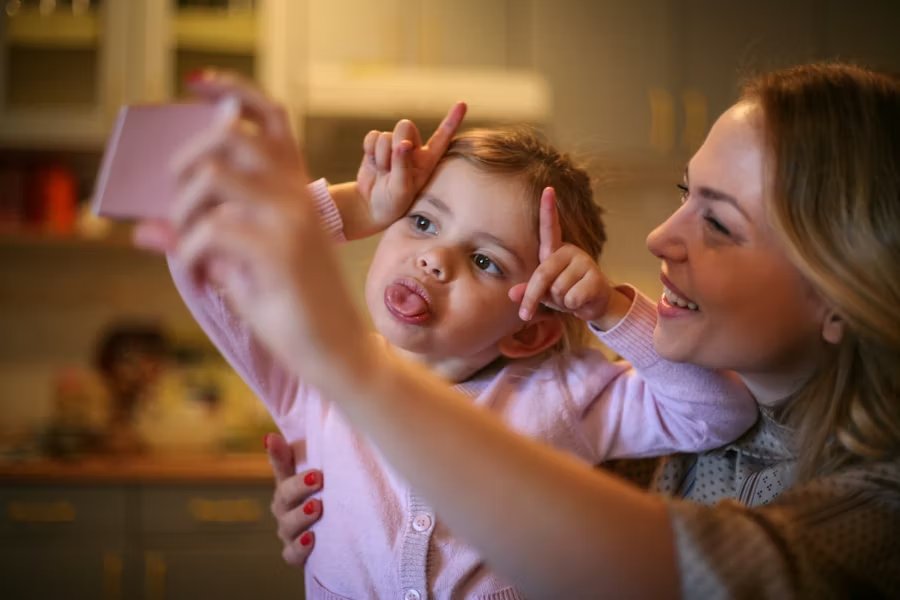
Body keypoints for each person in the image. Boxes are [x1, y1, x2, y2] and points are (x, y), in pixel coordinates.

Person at [141, 62, 899, 597]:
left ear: (840, 291)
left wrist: (353, 373)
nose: (660, 237)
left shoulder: (871, 509)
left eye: (720, 222)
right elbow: (203, 246)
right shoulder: (641, 447)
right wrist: (344, 520)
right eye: (682, 194)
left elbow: (688, 563)